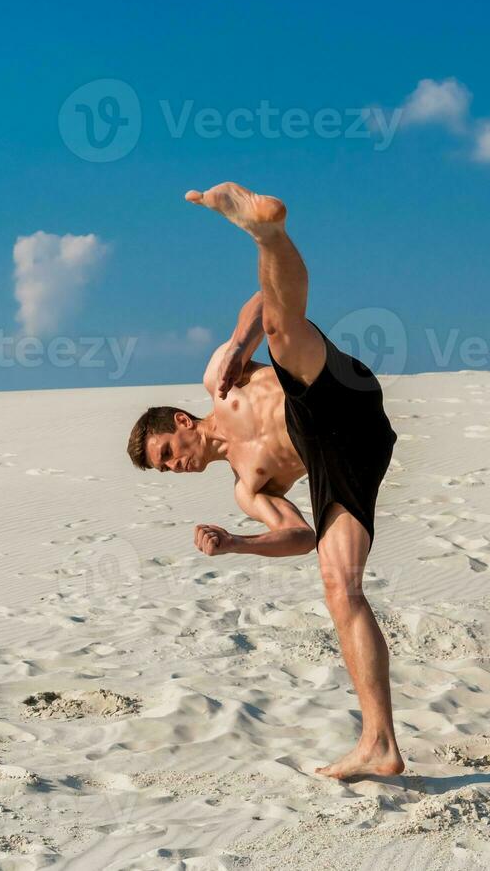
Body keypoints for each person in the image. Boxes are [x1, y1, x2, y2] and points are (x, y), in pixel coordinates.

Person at [125, 182, 403, 780]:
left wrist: (240, 345)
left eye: (169, 451)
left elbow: (261, 302)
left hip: (329, 390)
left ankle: (267, 231)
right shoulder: (246, 488)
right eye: (167, 468)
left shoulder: (218, 384)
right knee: (339, 585)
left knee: (280, 331)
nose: (176, 465)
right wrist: (236, 545)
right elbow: (298, 536)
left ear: (180, 422)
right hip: (345, 453)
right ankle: (380, 744)